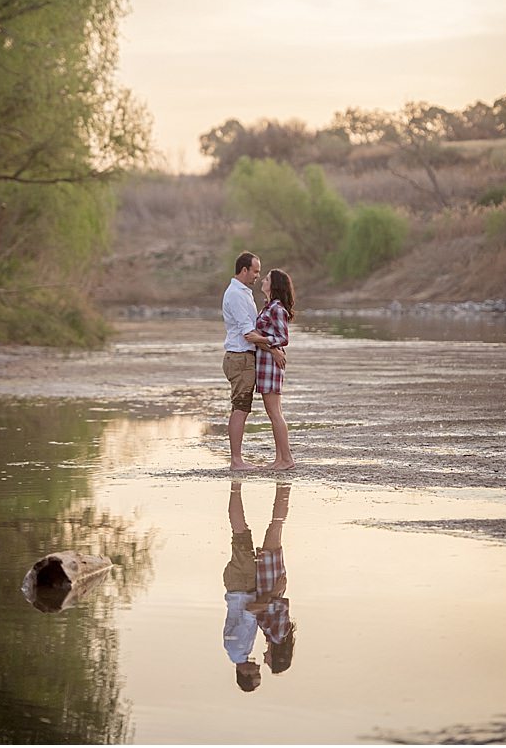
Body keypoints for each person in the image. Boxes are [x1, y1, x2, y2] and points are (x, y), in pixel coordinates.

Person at [222, 481, 295, 690]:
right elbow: (254, 611)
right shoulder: (240, 651)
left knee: (241, 534)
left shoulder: (238, 649)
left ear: (244, 674)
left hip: (241, 586)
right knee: (253, 531)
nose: (259, 668)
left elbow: (249, 610)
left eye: (256, 675)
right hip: (244, 586)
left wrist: (272, 593)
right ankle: (242, 487)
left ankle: (236, 485)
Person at [221, 252, 284, 471]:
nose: (258, 276)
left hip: (244, 357)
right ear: (244, 270)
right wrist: (274, 350)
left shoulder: (243, 293)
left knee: (241, 407)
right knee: (240, 408)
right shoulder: (237, 295)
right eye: (255, 271)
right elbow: (249, 333)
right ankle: (236, 461)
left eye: (260, 272)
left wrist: (270, 347)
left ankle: (237, 459)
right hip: (240, 357)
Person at [246, 268, 296, 471]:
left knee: (275, 413)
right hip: (266, 363)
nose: (262, 280)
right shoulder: (268, 307)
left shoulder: (276, 308)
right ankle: (280, 459)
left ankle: (286, 460)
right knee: (274, 413)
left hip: (271, 366)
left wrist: (260, 339)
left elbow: (284, 338)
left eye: (266, 278)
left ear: (273, 285)